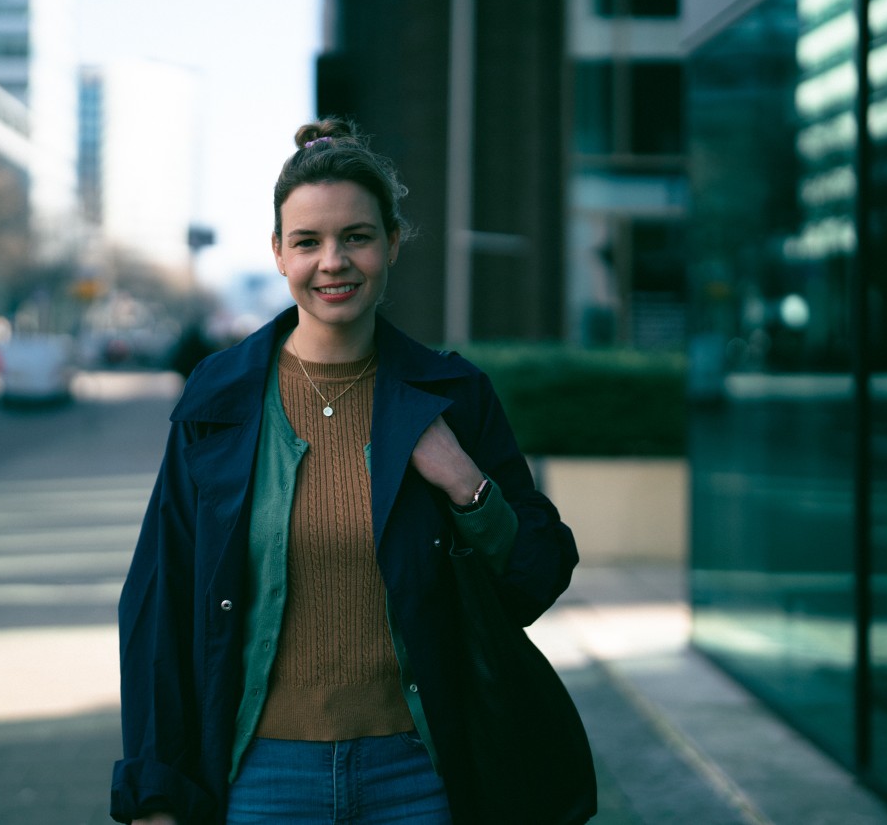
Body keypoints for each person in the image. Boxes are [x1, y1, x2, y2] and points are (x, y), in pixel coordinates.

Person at [111, 119, 578, 825]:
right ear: (278, 253)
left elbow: (536, 575)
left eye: (356, 236)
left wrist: (466, 486)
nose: (334, 261)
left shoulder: (453, 396)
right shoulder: (220, 400)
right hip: (263, 777)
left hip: (417, 777)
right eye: (308, 241)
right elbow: (159, 600)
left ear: (392, 243)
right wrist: (154, 791)